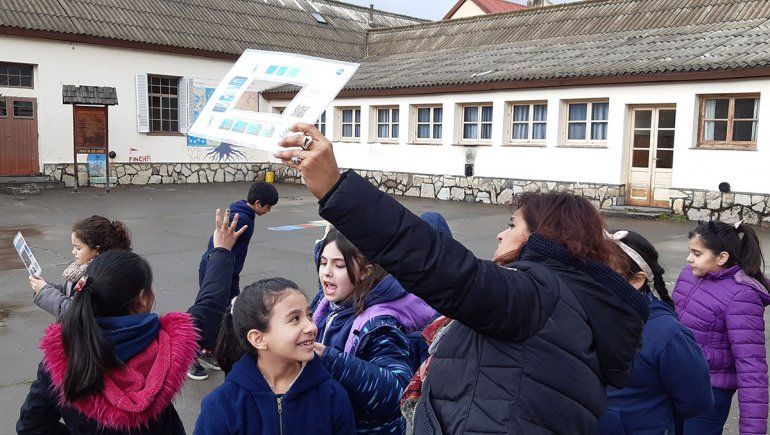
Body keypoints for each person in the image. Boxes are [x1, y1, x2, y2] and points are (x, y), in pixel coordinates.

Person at [275, 124, 648, 434]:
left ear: (544, 237)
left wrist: (335, 187)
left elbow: (437, 262)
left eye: (512, 225)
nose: (501, 235)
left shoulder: (539, 296)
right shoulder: (573, 305)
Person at [16, 209, 246, 434]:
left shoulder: (62, 359)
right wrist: (222, 251)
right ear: (143, 299)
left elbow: (32, 425)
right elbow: (211, 304)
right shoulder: (169, 343)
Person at [193, 278, 356, 435]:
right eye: (295, 319)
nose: (311, 327)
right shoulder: (223, 405)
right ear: (258, 339)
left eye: (309, 315)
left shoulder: (331, 396)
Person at [312, 228, 436, 433]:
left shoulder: (379, 326)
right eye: (324, 262)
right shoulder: (327, 302)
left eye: (339, 265)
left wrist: (330, 359)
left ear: (365, 272)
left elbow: (397, 393)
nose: (327, 272)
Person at [597, 230, 712, 434]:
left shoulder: (667, 334)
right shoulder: (583, 315)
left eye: (605, 275)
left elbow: (696, 400)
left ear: (637, 280)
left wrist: (650, 416)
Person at [673, 221, 769, 435]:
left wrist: (753, 430)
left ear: (722, 257)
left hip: (709, 395)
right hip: (675, 382)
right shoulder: (688, 276)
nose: (689, 258)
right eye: (690, 251)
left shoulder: (742, 297)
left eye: (697, 253)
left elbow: (751, 366)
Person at [191, 181, 279, 380]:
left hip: (228, 270)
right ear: (258, 203)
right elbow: (216, 241)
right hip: (217, 269)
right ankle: (191, 355)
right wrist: (218, 264)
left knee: (229, 311)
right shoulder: (241, 218)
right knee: (209, 311)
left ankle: (208, 350)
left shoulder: (244, 211)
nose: (269, 210)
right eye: (268, 206)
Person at [28, 215, 131, 319]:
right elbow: (70, 293)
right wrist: (45, 286)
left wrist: (44, 291)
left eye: (78, 248)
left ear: (96, 249)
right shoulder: (82, 269)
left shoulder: (98, 278)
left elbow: (75, 313)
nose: (73, 252)